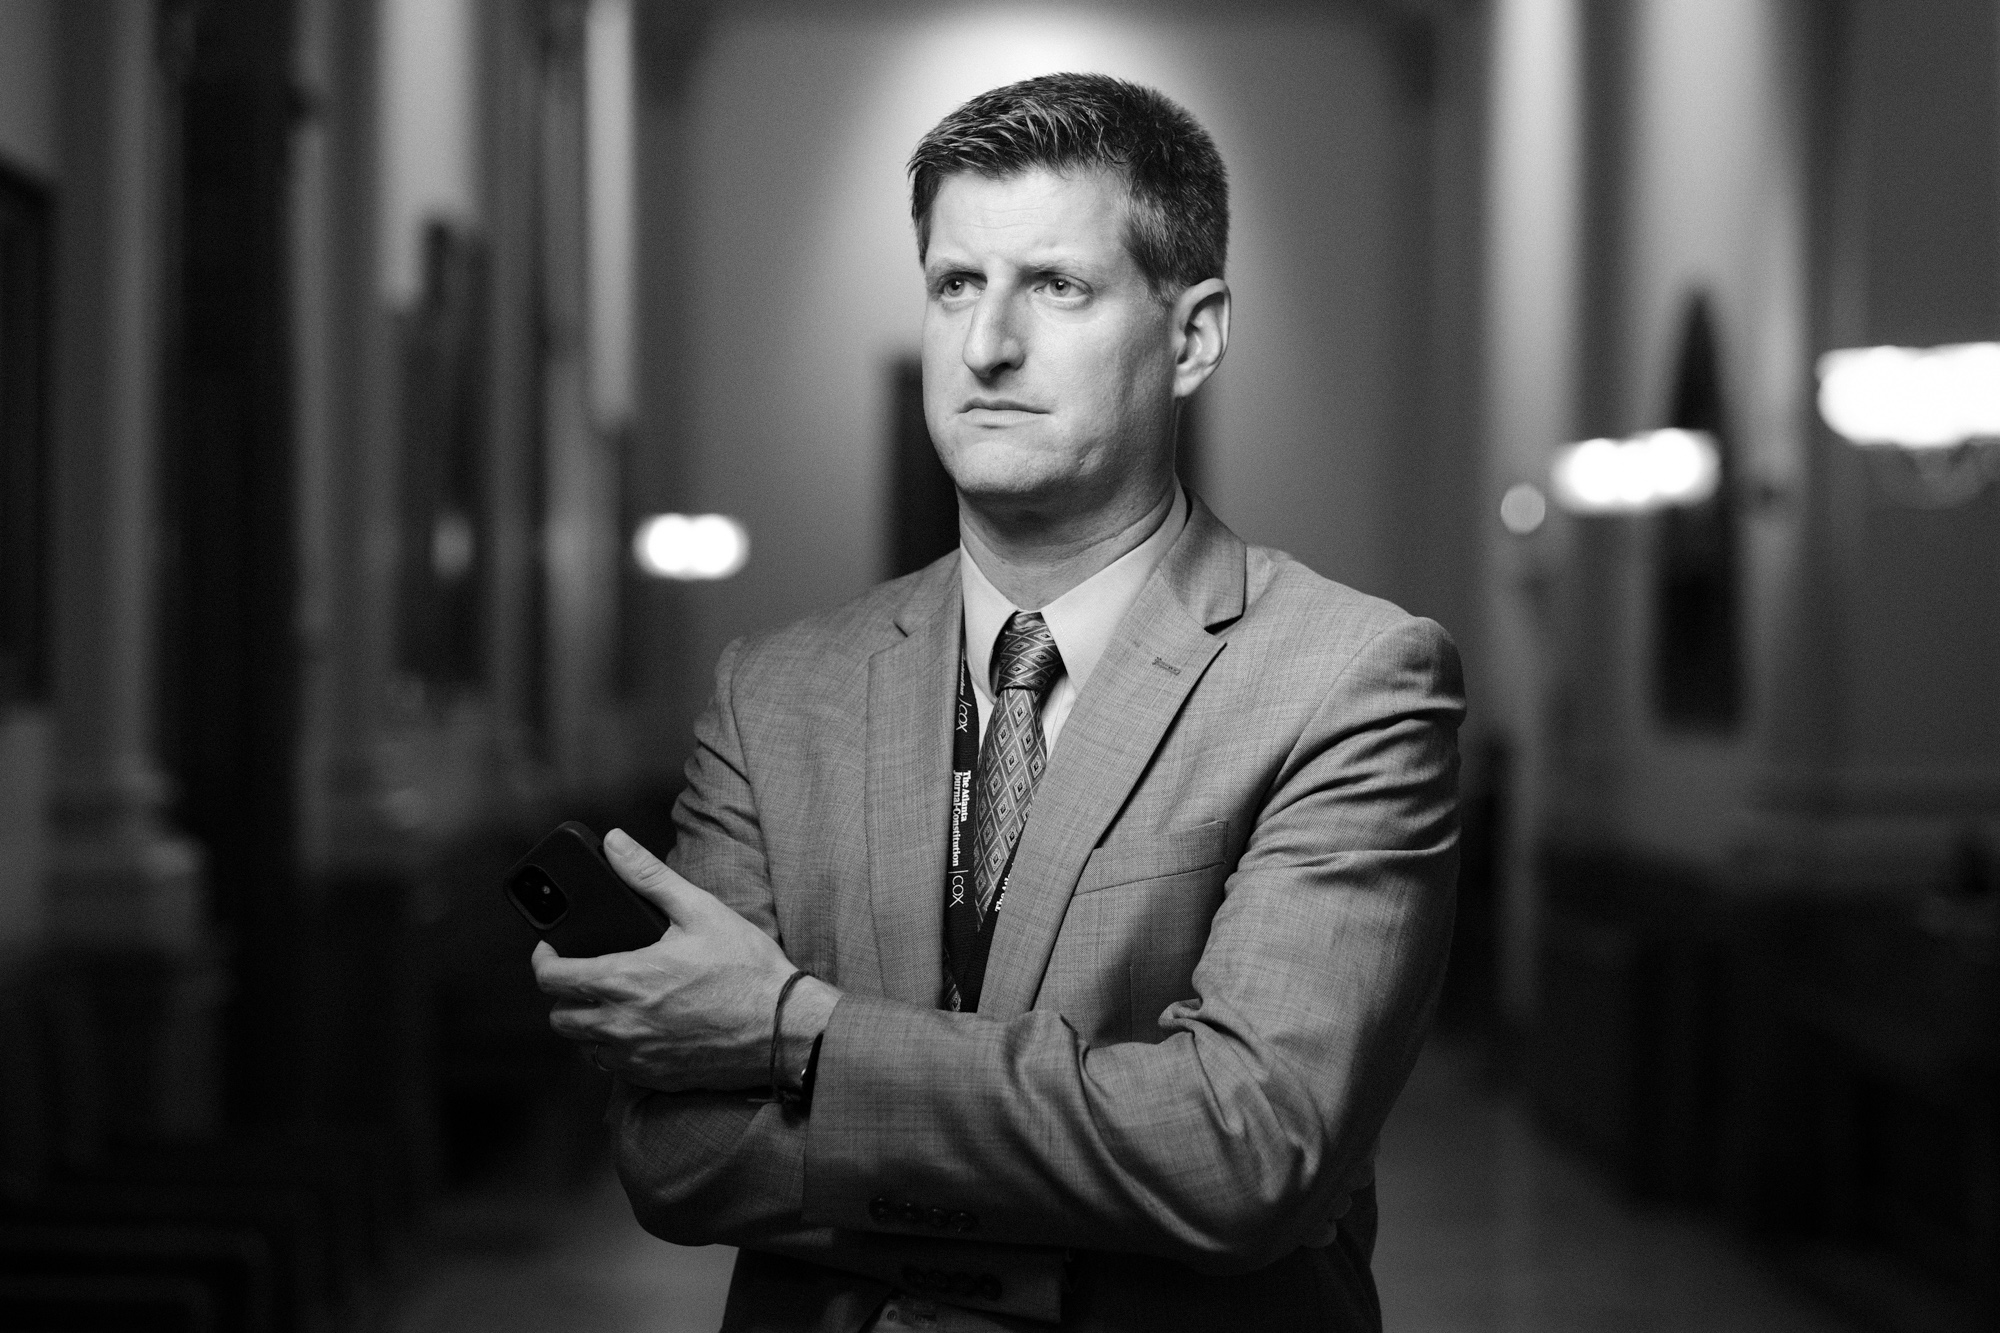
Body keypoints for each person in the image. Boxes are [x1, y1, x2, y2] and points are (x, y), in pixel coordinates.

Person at [533, 72, 1463, 1333]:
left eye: (1057, 286)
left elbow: (1242, 1152)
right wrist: (1083, 1198)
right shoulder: (773, 693)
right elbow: (679, 1157)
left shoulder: (1347, 677)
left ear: (1192, 336)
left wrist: (793, 1033)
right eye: (954, 284)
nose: (985, 345)